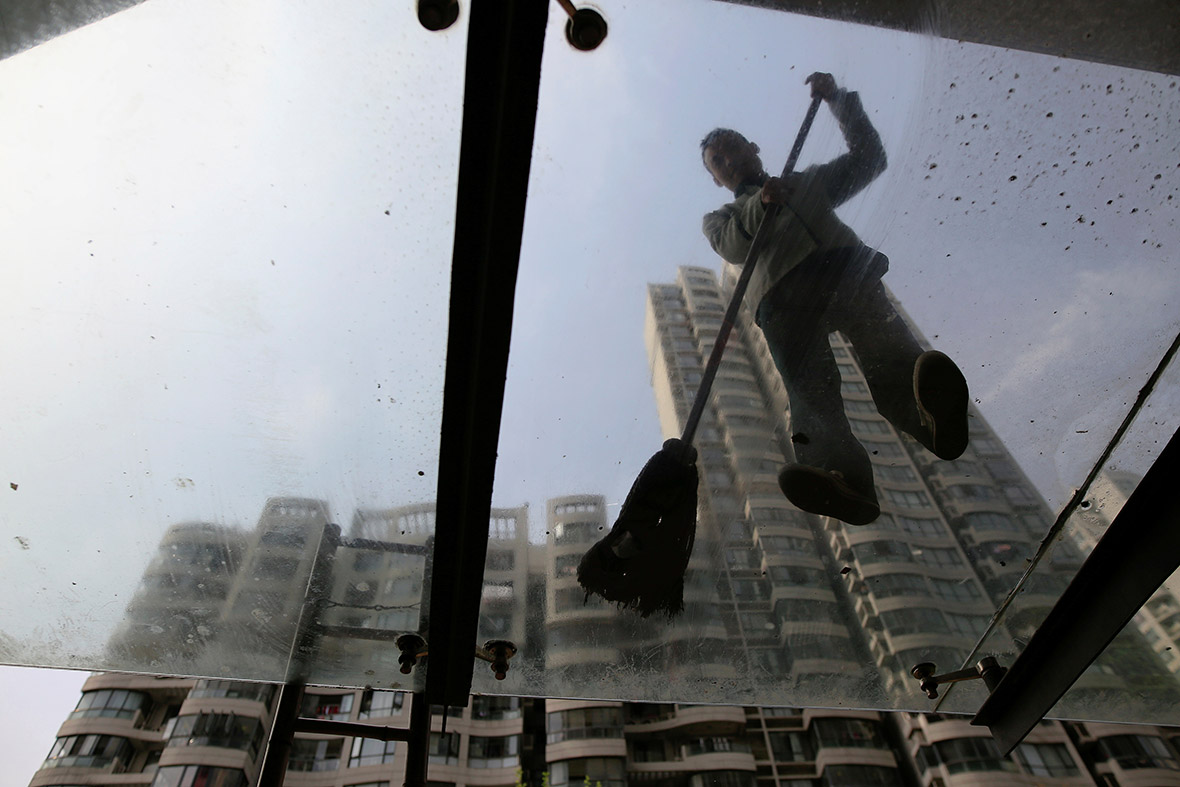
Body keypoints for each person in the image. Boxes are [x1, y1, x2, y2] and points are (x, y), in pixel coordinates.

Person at [700, 72, 969, 525]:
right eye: (717, 161)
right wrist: (761, 204)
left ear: (753, 148)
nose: (727, 159)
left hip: (842, 271)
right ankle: (843, 479)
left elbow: (869, 159)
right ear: (716, 179)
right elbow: (731, 244)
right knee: (810, 391)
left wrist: (839, 102)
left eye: (731, 147)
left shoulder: (809, 184)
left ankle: (932, 420)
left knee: (890, 355)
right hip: (781, 300)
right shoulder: (720, 216)